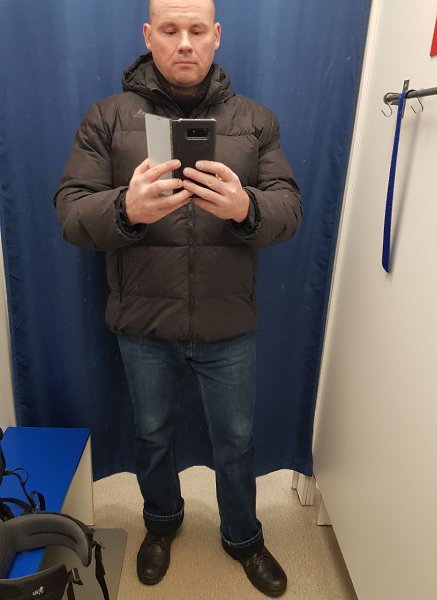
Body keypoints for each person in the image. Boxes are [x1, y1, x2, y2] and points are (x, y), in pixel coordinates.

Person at [55, 0, 302, 596]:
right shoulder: (107, 117)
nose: (184, 42)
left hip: (227, 321)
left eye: (196, 30)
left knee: (236, 440)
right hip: (143, 322)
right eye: (170, 29)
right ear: (149, 35)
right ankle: (161, 523)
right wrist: (125, 208)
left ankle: (243, 536)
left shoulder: (256, 120)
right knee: (152, 435)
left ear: (216, 36)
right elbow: (70, 211)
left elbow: (289, 207)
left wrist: (246, 207)